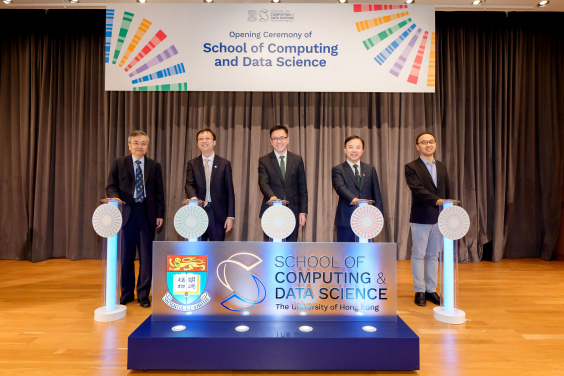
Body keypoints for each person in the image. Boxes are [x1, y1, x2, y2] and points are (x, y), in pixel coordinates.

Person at [106, 130, 164, 308]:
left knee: (147, 257)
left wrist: (160, 213)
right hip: (125, 214)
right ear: (129, 145)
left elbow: (159, 192)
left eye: (143, 143)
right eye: (136, 143)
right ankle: (127, 293)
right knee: (126, 256)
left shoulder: (155, 166)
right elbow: (111, 186)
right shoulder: (119, 163)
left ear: (148, 146)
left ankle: (144, 294)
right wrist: (114, 197)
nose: (140, 146)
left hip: (147, 214)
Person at [405, 132, 452, 307]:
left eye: (431, 141)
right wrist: (436, 200)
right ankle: (419, 290)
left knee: (434, 255)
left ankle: (431, 290)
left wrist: (448, 208)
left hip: (440, 218)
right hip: (421, 217)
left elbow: (447, 189)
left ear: (435, 144)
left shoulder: (441, 166)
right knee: (418, 255)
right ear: (418, 146)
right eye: (424, 142)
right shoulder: (411, 167)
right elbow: (416, 189)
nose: (428, 144)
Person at [258, 125, 308, 242]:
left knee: (290, 247)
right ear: (271, 141)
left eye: (282, 138)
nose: (279, 141)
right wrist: (273, 198)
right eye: (275, 138)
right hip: (271, 211)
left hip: (293, 211)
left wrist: (303, 212)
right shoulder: (264, 160)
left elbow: (302, 188)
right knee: (271, 247)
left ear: (287, 139)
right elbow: (263, 183)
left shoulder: (297, 159)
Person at [185, 128, 235, 241]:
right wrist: (194, 200)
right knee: (197, 250)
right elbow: (189, 184)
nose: (204, 141)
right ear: (197, 143)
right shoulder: (192, 163)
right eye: (201, 139)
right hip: (197, 212)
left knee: (217, 250)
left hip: (218, 214)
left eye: (207, 138)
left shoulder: (224, 164)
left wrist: (230, 216)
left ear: (214, 142)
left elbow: (229, 191)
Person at [331, 135, 384, 242]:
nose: (354, 150)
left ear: (363, 150)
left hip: (367, 220)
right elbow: (340, 187)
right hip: (346, 219)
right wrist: (354, 200)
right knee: (345, 254)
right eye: (351, 147)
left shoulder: (370, 169)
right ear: (345, 150)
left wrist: (378, 217)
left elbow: (376, 194)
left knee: (365, 255)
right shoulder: (338, 169)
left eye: (358, 147)